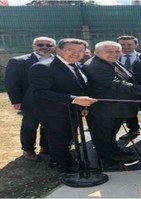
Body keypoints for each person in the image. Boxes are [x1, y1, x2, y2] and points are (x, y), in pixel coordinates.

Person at [82, 41, 141, 171]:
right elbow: (117, 84)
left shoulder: (107, 62)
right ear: (97, 52)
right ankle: (108, 157)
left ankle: (114, 150)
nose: (114, 54)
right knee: (103, 134)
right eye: (109, 51)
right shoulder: (95, 65)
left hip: (114, 107)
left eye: (117, 51)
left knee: (110, 133)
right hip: (105, 108)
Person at [29, 38, 98, 173]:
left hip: (72, 110)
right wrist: (75, 100)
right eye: (70, 50)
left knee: (67, 136)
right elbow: (40, 92)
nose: (76, 53)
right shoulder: (43, 66)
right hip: (54, 111)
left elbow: (78, 87)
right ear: (58, 49)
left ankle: (56, 159)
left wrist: (82, 106)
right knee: (59, 138)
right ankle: (66, 165)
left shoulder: (76, 65)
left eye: (80, 51)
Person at [4, 36, 56, 162]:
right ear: (33, 46)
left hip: (52, 100)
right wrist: (16, 101)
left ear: (54, 47)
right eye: (40, 44)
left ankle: (45, 147)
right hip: (30, 101)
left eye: (49, 45)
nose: (44, 47)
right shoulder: (19, 61)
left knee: (48, 125)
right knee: (30, 125)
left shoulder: (57, 60)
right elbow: (11, 83)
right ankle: (28, 150)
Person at [116, 35, 141, 140]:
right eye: (122, 44)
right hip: (122, 90)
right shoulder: (112, 58)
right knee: (128, 110)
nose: (126, 47)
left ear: (136, 45)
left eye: (129, 44)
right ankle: (133, 130)